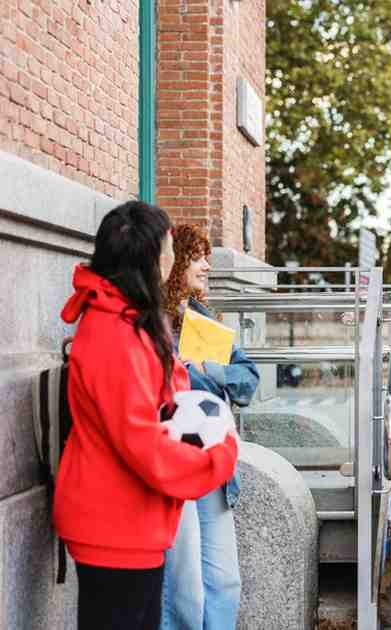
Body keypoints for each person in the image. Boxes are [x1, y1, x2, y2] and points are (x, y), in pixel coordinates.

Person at [54, 201, 239, 630]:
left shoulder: (131, 321)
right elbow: (142, 442)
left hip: (132, 522)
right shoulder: (113, 334)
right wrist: (218, 458)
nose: (174, 259)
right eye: (169, 247)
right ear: (152, 257)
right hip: (113, 525)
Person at [160, 225, 260, 630]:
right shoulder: (153, 322)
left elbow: (248, 379)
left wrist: (207, 370)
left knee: (223, 578)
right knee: (182, 586)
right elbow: (168, 386)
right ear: (174, 261)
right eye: (198, 256)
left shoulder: (204, 319)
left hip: (215, 469)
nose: (206, 266)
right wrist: (204, 379)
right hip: (173, 464)